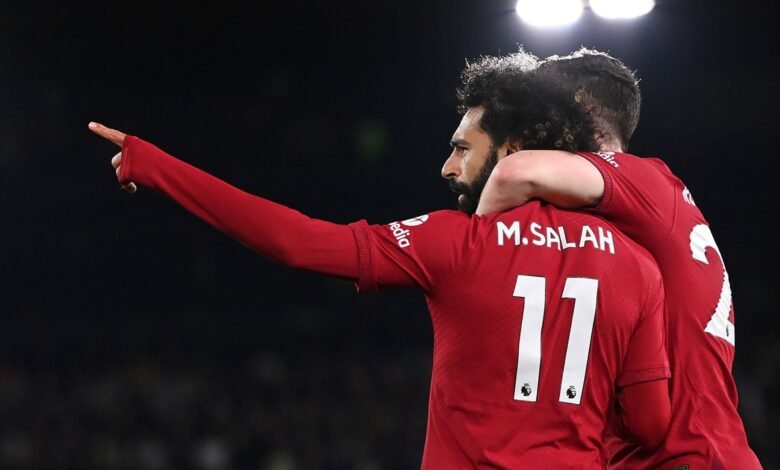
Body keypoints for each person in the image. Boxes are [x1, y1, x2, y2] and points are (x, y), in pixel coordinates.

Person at [90, 52, 671, 468]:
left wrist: (157, 166)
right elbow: (649, 424)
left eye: (462, 149)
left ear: (514, 152)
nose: (447, 167)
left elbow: (295, 241)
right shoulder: (639, 266)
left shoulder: (458, 243)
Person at [476, 48, 762, 469]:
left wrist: (474, 259)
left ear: (581, 111)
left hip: (687, 456)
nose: (533, 128)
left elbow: (514, 174)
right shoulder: (614, 222)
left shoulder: (642, 177)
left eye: (541, 113)